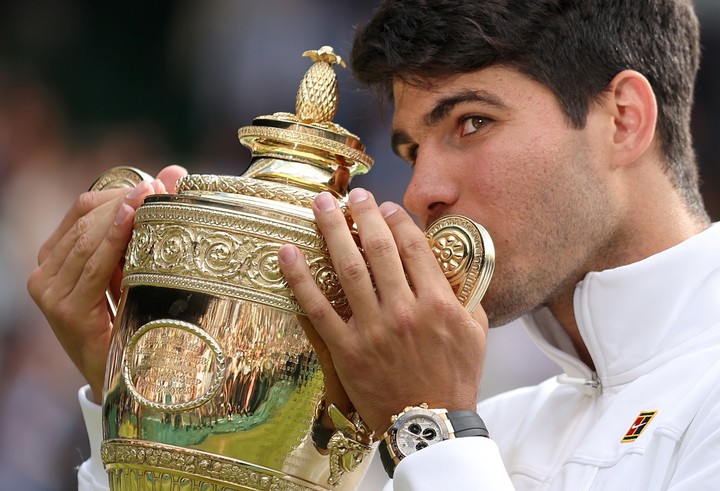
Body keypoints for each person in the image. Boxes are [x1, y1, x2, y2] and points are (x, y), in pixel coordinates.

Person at [28, 0, 720, 489]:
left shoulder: (440, 419)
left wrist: (434, 428)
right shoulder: (496, 421)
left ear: (624, 119)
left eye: (472, 122)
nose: (421, 191)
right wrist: (150, 425)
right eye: (412, 148)